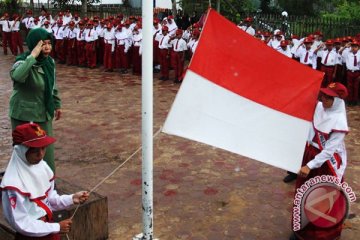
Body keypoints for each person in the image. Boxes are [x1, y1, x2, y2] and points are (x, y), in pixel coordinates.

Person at [0, 123, 89, 239]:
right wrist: (56, 227)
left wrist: (71, 198)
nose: (40, 154)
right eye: (34, 150)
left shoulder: (42, 167)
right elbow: (21, 223)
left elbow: (49, 199)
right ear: (21, 150)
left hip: (48, 228)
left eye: (43, 148)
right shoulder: (12, 185)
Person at [290, 82, 349, 240]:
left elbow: (329, 150)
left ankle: (321, 235)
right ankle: (301, 230)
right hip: (310, 155)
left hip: (324, 163)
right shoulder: (319, 107)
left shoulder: (339, 120)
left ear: (337, 101)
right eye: (323, 95)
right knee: (303, 194)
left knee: (321, 199)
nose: (324, 99)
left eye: (329, 97)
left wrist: (310, 165)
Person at [9, 28, 62, 173]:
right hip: (24, 114)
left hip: (43, 111)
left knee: (46, 151)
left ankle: (47, 182)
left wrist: (57, 104)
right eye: (42, 44)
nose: (47, 47)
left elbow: (52, 84)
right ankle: (24, 183)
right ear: (34, 45)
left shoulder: (49, 62)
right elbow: (18, 76)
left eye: (49, 43)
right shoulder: (22, 61)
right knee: (26, 151)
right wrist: (32, 56)